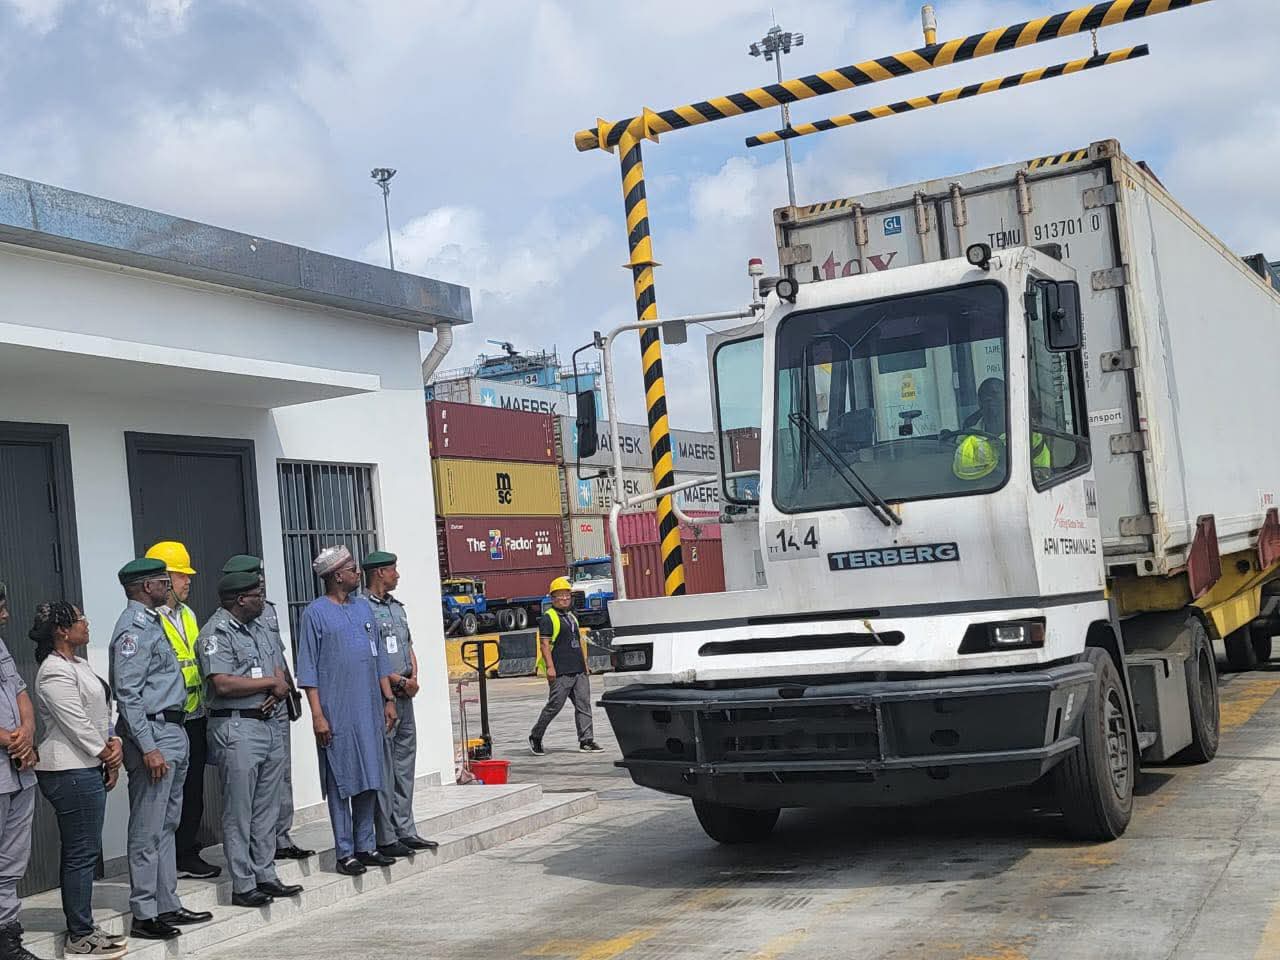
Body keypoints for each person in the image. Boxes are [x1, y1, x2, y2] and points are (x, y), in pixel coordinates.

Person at [109, 558, 212, 941]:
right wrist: (148, 747)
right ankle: (144, 911)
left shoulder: (154, 622)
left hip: (174, 727)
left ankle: (167, 903)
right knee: (147, 828)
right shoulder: (133, 630)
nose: (168, 585)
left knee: (168, 825)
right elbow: (129, 696)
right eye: (162, 581)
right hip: (152, 732)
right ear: (145, 586)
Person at [196, 572, 302, 908]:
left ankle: (265, 873)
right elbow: (223, 683)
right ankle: (243, 883)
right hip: (236, 728)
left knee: (266, 808)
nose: (263, 598)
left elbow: (277, 668)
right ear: (242, 599)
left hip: (267, 723)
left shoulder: (259, 626)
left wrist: (276, 686)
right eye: (258, 594)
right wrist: (268, 684)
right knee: (239, 810)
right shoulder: (216, 632)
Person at [30, 601, 127, 958]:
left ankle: (84, 925)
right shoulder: (53, 671)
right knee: (80, 853)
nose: (87, 623)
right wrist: (106, 753)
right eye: (80, 618)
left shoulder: (79, 664)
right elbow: (75, 723)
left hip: (88, 764)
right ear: (60, 629)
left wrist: (113, 743)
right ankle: (80, 933)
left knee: (85, 851)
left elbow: (100, 712)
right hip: (68, 770)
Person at [295, 546, 398, 877]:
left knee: (369, 777)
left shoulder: (363, 610)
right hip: (336, 711)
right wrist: (317, 715)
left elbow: (378, 656)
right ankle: (345, 851)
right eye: (353, 569)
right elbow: (307, 669)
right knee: (342, 782)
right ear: (337, 575)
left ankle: (366, 845)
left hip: (368, 708)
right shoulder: (315, 614)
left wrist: (388, 700)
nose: (358, 573)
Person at [219, 555, 313, 863]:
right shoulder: (225, 623)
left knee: (280, 771)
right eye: (254, 577)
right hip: (250, 707)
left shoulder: (268, 610)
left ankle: (280, 835)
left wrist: (282, 687)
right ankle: (257, 847)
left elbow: (277, 654)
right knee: (253, 784)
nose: (261, 582)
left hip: (277, 700)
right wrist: (265, 688)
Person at [144, 541, 217, 881]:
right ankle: (169, 859)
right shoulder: (149, 620)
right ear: (164, 578)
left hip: (194, 715)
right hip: (166, 720)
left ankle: (187, 852)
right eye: (182, 575)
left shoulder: (187, 614)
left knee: (192, 792)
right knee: (166, 798)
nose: (189, 582)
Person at [362, 552, 436, 858]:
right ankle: (387, 833)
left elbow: (408, 646)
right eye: (394, 569)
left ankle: (406, 828)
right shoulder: (362, 609)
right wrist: (400, 683)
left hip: (406, 694)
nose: (398, 575)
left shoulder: (396, 608)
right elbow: (372, 657)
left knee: (405, 765)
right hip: (384, 697)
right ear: (380, 572)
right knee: (386, 766)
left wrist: (413, 678)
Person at [0, 580, 39, 960]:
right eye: (0, 607)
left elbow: (21, 691)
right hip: (6, 761)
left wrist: (26, 732)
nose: (6, 614)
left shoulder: (1, 645)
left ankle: (7, 935)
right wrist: (14, 740)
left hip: (19, 769)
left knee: (12, 861)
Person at [528, 578, 601, 756]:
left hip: (578, 670)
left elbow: (577, 643)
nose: (564, 598)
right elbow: (544, 645)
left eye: (567, 594)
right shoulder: (548, 618)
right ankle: (536, 736)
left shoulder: (571, 617)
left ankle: (586, 740)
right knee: (554, 706)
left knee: (584, 705)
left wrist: (585, 666)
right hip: (561, 671)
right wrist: (550, 668)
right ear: (553, 598)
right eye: (560, 595)